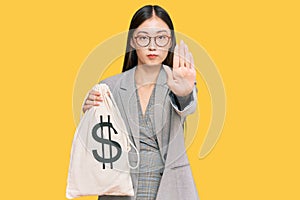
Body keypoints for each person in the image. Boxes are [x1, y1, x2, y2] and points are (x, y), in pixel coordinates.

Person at [82, 5, 199, 200]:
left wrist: (185, 93)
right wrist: (88, 112)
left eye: (161, 38)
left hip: (168, 186)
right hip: (121, 189)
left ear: (170, 42)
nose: (153, 46)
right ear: (132, 41)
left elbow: (187, 106)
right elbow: (96, 142)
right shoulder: (110, 86)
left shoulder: (179, 83)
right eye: (144, 37)